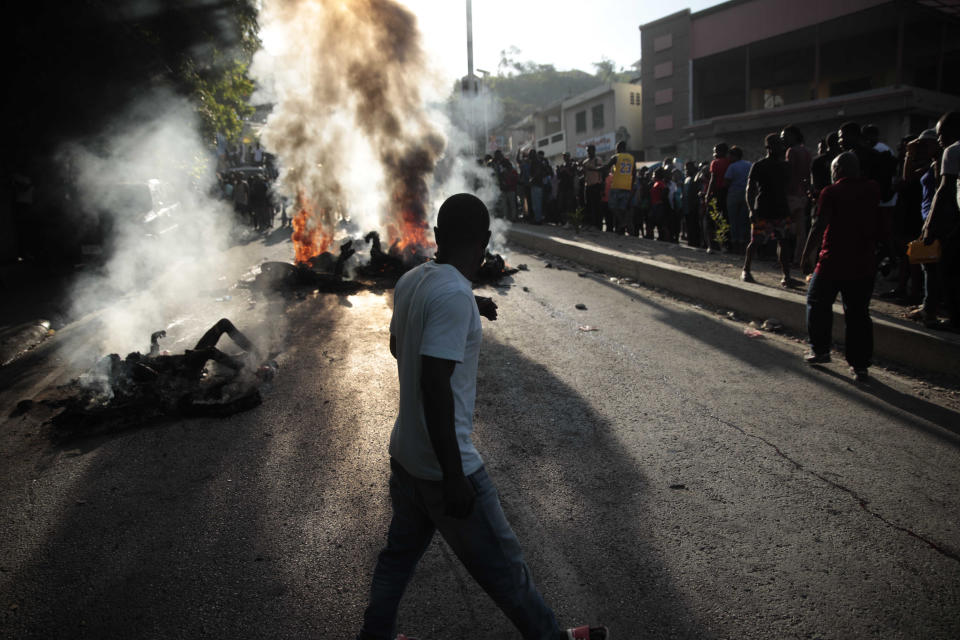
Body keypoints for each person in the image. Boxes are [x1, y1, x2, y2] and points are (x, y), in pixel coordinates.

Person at [356, 194, 608, 640]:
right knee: (506, 571)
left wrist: (469, 305)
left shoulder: (413, 280)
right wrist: (454, 476)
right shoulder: (453, 295)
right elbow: (435, 386)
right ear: (486, 241)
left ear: (437, 237)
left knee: (397, 559)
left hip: (406, 455)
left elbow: (402, 346)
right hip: (444, 467)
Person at [800, 152, 884, 381]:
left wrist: (807, 254)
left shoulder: (832, 192)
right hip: (864, 261)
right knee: (858, 313)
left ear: (836, 171)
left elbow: (820, 225)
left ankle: (820, 350)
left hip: (833, 260)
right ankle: (860, 365)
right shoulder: (872, 188)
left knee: (817, 302)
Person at [919, 111, 960, 330]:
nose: (939, 138)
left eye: (941, 133)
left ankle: (955, 319)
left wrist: (929, 226)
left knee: (948, 270)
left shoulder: (952, 151)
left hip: (954, 223)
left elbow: (944, 191)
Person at [741, 133, 793, 286]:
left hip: (781, 209)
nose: (780, 147)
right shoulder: (759, 165)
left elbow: (788, 187)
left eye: (780, 144)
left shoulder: (786, 166)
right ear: (768, 147)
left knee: (783, 242)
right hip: (762, 209)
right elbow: (749, 189)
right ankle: (746, 269)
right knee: (755, 241)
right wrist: (751, 209)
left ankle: (786, 275)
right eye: (776, 144)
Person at [782, 125, 812, 265]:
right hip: (802, 194)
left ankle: (785, 259)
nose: (783, 139)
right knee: (801, 231)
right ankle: (799, 258)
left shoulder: (791, 151)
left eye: (785, 136)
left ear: (793, 136)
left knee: (785, 229)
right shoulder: (806, 151)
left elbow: (789, 173)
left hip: (791, 194)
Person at [723, 146, 752, 254]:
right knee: (743, 220)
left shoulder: (732, 167)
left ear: (734, 156)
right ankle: (743, 244)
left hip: (734, 194)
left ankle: (735, 245)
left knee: (733, 220)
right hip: (746, 194)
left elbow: (726, 182)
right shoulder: (749, 165)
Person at [705, 143, 731, 252]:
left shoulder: (715, 163)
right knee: (724, 219)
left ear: (720, 152)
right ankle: (725, 244)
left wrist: (707, 194)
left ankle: (712, 245)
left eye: (715, 151)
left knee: (711, 220)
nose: (714, 154)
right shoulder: (730, 162)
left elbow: (713, 179)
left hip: (716, 194)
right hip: (727, 193)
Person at [606, 140, 634, 234]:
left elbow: (606, 167)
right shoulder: (631, 158)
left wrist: (593, 169)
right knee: (622, 208)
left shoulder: (616, 157)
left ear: (619, 148)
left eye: (616, 148)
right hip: (627, 186)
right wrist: (631, 186)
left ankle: (623, 222)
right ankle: (621, 228)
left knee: (612, 206)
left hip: (617, 186)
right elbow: (634, 174)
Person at [581, 145, 604, 230]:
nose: (588, 153)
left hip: (596, 185)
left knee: (596, 206)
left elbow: (600, 169)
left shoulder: (597, 160)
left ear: (594, 151)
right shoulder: (585, 162)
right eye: (587, 151)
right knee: (588, 206)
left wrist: (590, 168)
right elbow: (583, 174)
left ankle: (597, 225)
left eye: (590, 151)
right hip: (588, 185)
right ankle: (589, 223)